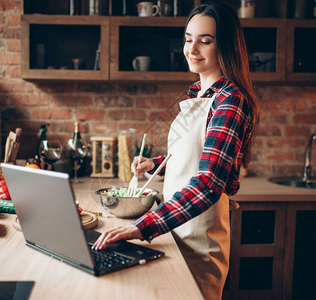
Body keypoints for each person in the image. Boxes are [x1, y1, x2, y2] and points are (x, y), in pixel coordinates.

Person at [93, 2, 260, 299]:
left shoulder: (230, 101)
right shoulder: (198, 94)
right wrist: (154, 163)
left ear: (226, 47)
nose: (192, 48)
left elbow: (209, 182)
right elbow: (194, 153)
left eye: (205, 41)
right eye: (188, 38)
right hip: (175, 232)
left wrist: (141, 228)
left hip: (198, 244)